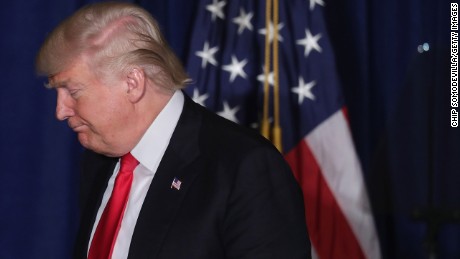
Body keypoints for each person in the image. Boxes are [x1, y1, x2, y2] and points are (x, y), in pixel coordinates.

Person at [36, 2, 311, 259]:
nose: (61, 111)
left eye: (72, 91)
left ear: (132, 82)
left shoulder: (245, 169)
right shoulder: (99, 161)